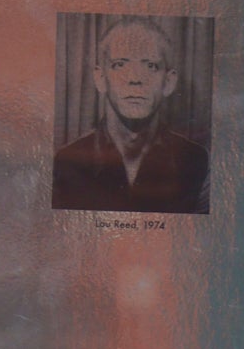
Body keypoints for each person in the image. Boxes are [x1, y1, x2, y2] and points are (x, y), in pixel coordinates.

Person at [53, 15, 210, 211]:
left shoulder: (197, 163)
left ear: (169, 83)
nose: (135, 79)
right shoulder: (65, 163)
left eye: (151, 66)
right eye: (120, 64)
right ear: (100, 79)